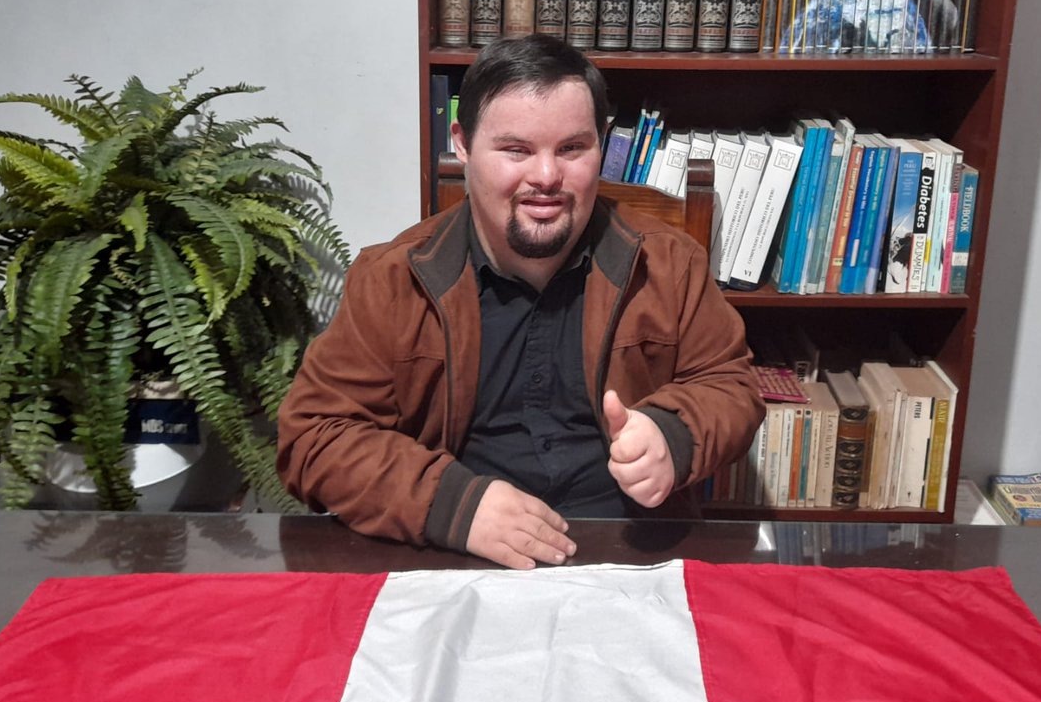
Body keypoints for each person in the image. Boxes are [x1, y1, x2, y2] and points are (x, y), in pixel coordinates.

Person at [277, 35, 764, 569]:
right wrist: (452, 505)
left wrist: (675, 435)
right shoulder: (392, 280)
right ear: (462, 144)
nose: (546, 177)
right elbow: (314, 437)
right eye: (516, 150)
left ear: (602, 144)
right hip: (455, 553)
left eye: (572, 148)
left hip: (631, 551)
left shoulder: (670, 264)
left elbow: (731, 385)